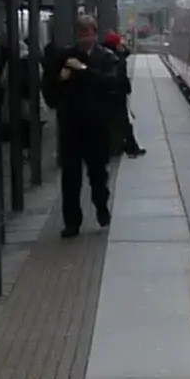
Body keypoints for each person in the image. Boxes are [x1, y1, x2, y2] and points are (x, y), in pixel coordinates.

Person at [44, 34, 119, 233]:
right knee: (70, 178)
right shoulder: (64, 58)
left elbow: (111, 83)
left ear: (95, 34)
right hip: (70, 127)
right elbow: (50, 91)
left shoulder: (106, 57)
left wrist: (84, 70)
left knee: (98, 174)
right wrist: (60, 79)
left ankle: (101, 207)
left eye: (88, 33)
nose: (84, 38)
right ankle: (71, 223)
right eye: (81, 33)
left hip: (96, 127)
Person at [99, 28, 143, 157]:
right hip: (116, 95)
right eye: (119, 42)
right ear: (115, 44)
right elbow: (119, 76)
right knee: (123, 122)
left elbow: (127, 53)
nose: (121, 44)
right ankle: (131, 148)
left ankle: (129, 147)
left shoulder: (107, 53)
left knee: (120, 122)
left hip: (113, 94)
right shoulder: (113, 57)